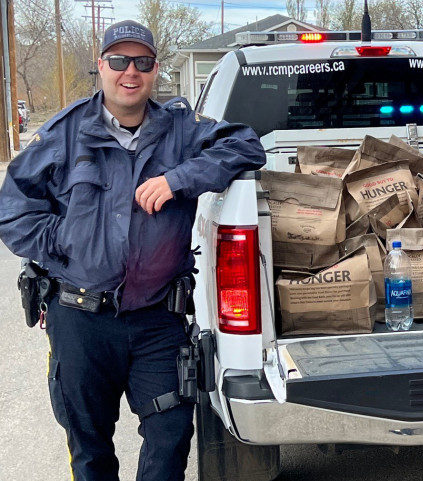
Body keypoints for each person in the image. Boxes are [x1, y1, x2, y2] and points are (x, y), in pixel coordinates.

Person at [0, 20, 265, 481]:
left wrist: (178, 179)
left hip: (158, 322)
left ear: (155, 70)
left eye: (142, 62)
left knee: (169, 441)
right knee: (90, 451)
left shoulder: (182, 129)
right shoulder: (64, 134)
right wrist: (65, 243)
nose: (131, 72)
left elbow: (246, 145)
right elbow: (13, 210)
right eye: (118, 61)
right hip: (80, 321)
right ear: (100, 67)